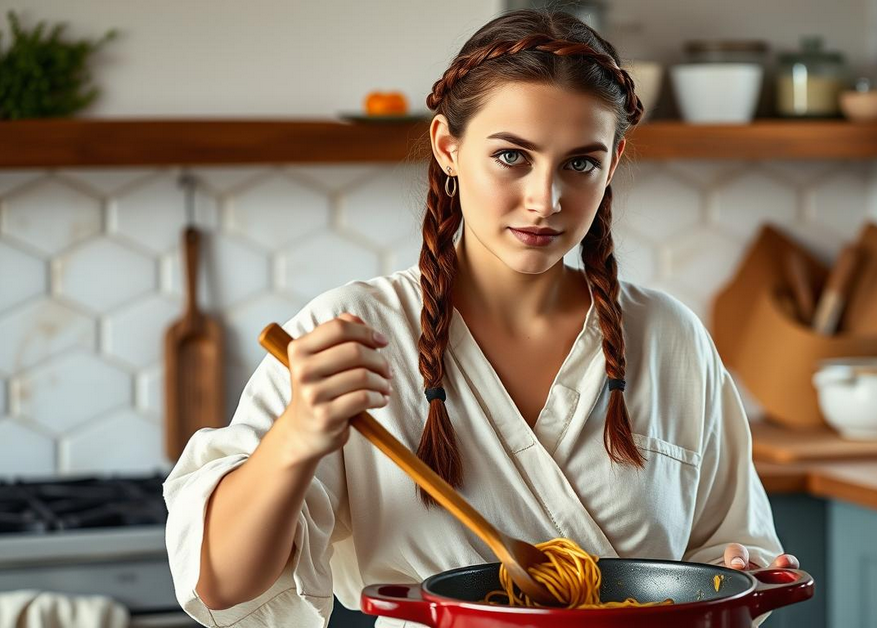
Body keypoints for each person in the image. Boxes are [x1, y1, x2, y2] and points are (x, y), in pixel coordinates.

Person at [164, 9, 796, 628]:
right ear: (448, 147)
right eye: (511, 157)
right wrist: (297, 436)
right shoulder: (352, 330)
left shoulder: (670, 338)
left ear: (614, 160)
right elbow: (222, 586)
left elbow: (726, 555)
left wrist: (740, 576)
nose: (545, 200)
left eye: (580, 163)